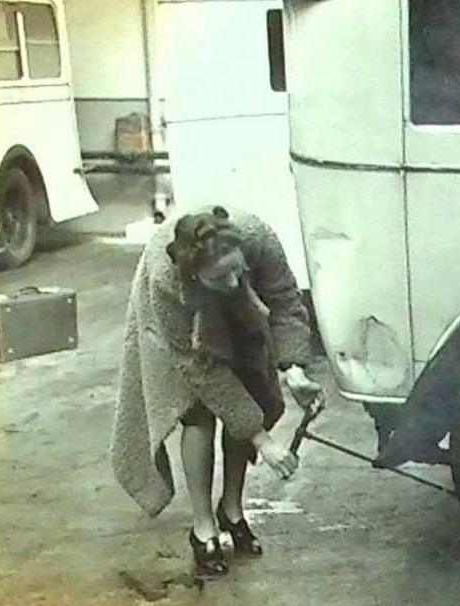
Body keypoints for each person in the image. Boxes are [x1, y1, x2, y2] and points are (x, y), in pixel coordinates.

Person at [111, 206, 323, 577]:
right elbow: (202, 372)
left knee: (248, 389)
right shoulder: (168, 283)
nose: (233, 280)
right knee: (198, 412)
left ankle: (232, 508)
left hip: (234, 307)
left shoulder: (257, 239)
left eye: (238, 269)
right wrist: (263, 440)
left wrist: (294, 367)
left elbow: (286, 301)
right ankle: (203, 526)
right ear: (194, 273)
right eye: (221, 276)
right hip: (179, 323)